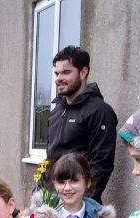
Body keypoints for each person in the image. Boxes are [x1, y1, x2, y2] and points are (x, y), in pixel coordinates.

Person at [46, 45, 118, 201]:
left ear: (83, 72)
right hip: (52, 201)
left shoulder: (100, 111)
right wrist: (42, 192)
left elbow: (101, 165)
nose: (58, 78)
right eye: (57, 73)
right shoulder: (56, 112)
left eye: (66, 72)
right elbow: (50, 158)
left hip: (79, 205)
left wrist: (81, 204)